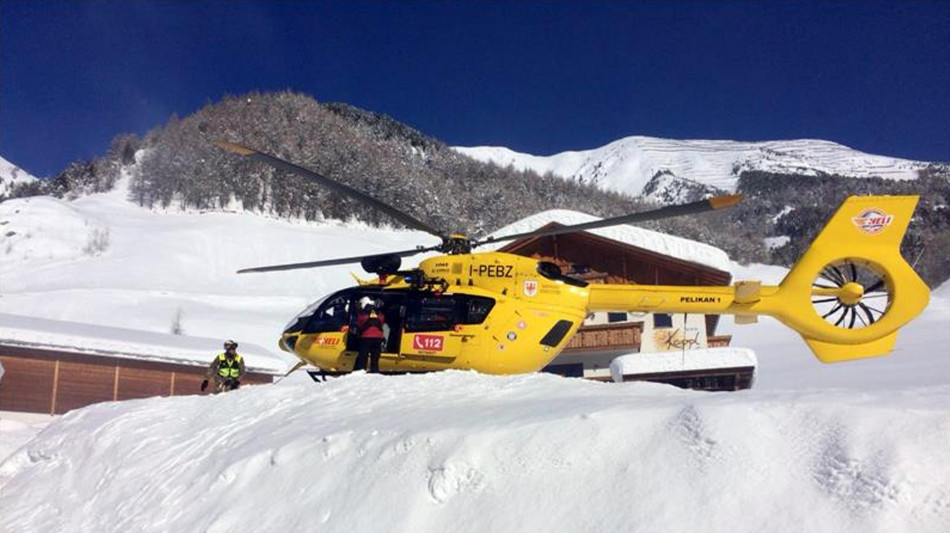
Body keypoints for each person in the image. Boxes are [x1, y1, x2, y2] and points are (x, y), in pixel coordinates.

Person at [355, 299, 386, 373]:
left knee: (363, 356)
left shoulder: (363, 315)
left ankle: (361, 370)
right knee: (375, 357)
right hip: (378, 338)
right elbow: (382, 321)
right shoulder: (379, 315)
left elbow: (359, 323)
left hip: (366, 337)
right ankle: (375, 371)